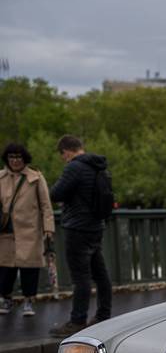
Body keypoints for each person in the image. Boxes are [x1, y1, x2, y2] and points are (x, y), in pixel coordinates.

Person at [48, 135, 112, 337]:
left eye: (62, 155)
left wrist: (65, 201)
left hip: (77, 228)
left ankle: (77, 321)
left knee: (81, 277)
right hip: (95, 226)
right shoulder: (99, 166)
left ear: (66, 151)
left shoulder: (74, 167)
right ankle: (103, 315)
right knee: (100, 274)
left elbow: (56, 193)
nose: (64, 159)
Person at [0, 144, 54, 317]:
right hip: (5, 232)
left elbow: (46, 206)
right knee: (5, 269)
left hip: (29, 232)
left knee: (29, 269)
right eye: (11, 157)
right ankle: (6, 299)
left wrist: (48, 228)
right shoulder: (0, 178)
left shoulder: (36, 178)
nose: (15, 161)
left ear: (25, 159)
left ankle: (28, 301)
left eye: (18, 157)